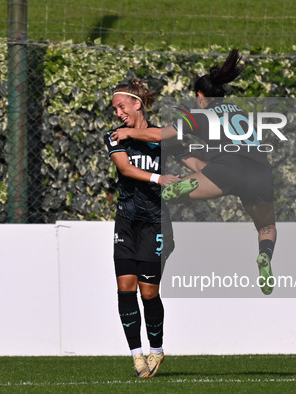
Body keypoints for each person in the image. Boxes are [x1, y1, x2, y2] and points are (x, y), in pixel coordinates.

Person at [109, 50, 277, 296]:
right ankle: (264, 256)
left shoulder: (200, 115)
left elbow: (158, 135)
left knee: (167, 193)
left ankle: (184, 187)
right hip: (260, 172)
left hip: (227, 169)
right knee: (267, 225)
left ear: (200, 96)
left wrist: (129, 133)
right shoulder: (240, 112)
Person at [104, 80, 179, 378]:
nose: (118, 113)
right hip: (126, 221)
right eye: (115, 109)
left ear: (138, 103)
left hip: (155, 222)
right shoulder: (114, 137)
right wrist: (158, 179)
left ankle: (156, 351)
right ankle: (137, 356)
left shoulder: (158, 136)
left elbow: (166, 137)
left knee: (149, 291)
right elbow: (125, 169)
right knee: (125, 287)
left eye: (122, 106)